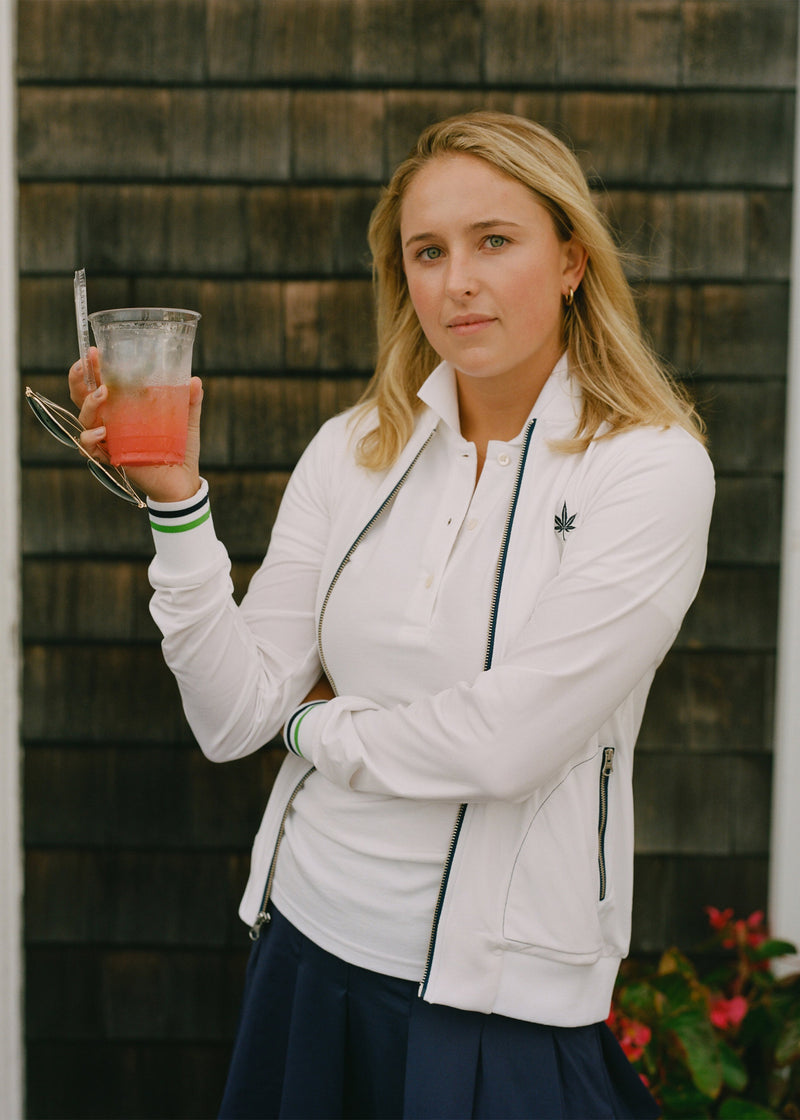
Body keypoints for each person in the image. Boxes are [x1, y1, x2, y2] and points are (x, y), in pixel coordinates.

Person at [69, 111, 714, 1119]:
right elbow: (231, 715)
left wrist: (313, 728)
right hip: (305, 949)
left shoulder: (648, 468)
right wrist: (176, 504)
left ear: (570, 261)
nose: (457, 282)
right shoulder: (354, 446)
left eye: (493, 240)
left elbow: (504, 745)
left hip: (494, 1004)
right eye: (428, 251)